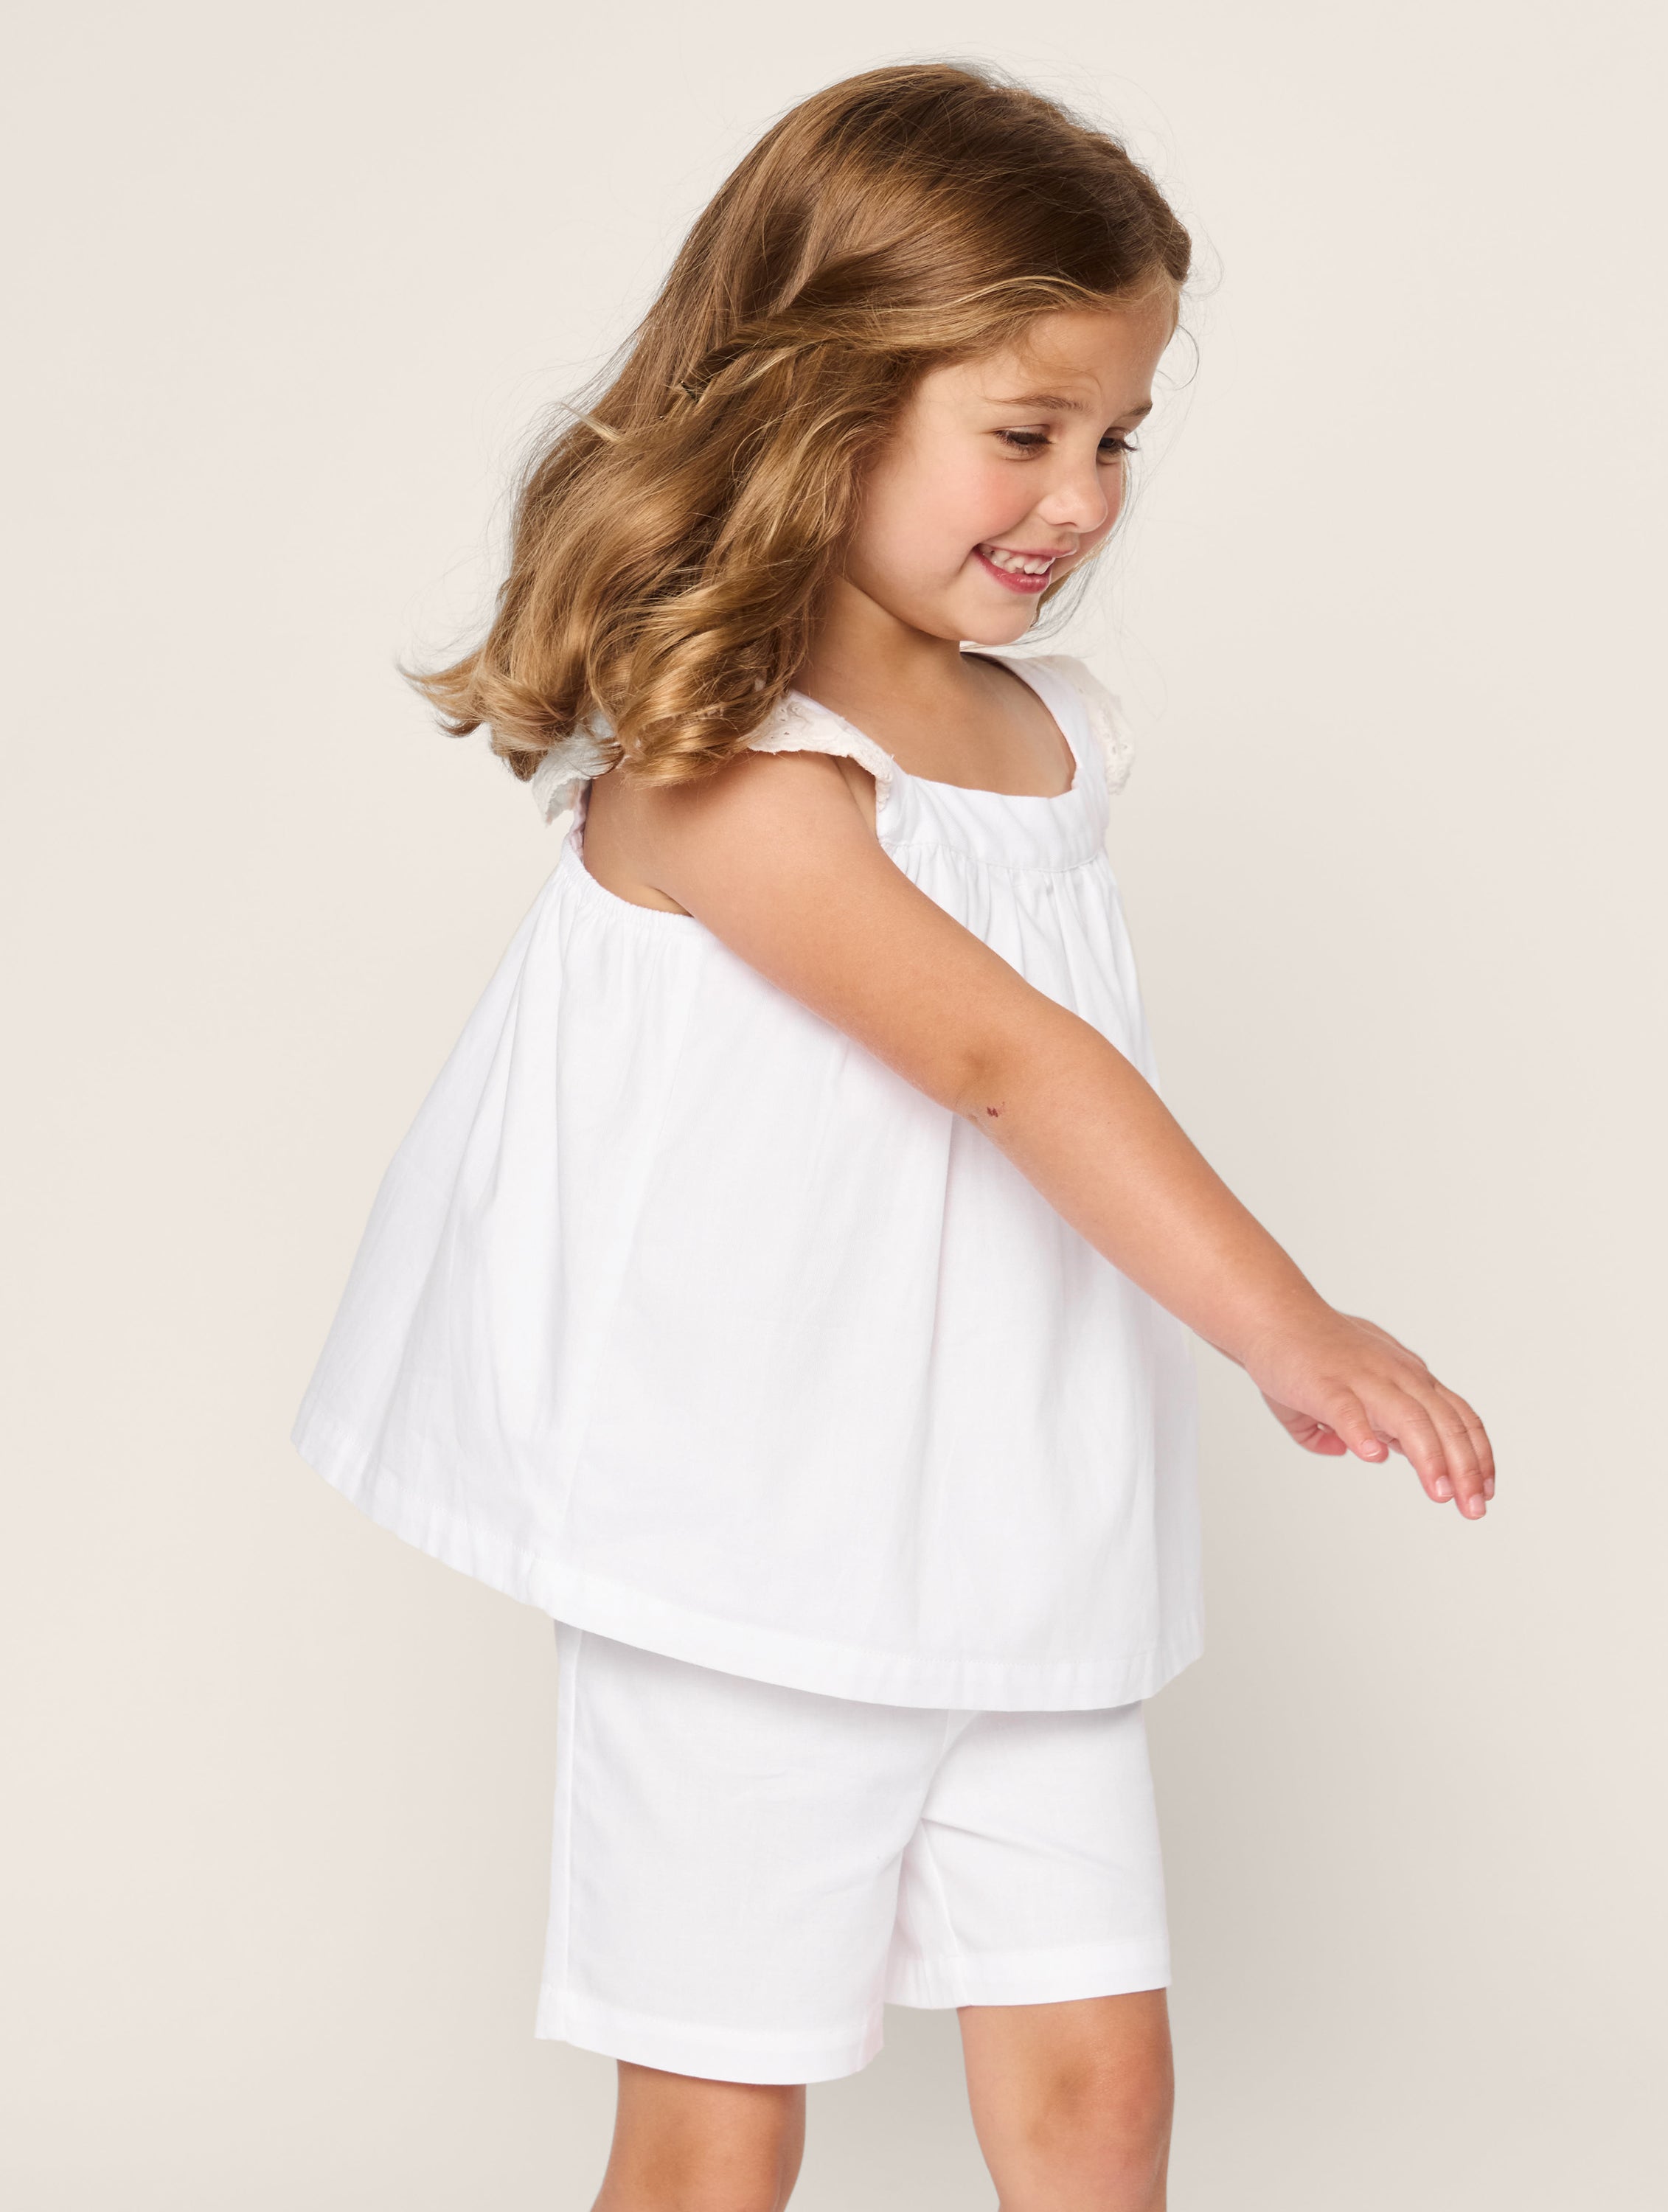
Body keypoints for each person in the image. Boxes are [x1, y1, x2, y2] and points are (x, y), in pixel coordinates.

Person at [293, 60, 1494, 2212]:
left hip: (1016, 1526)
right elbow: (1006, 1064)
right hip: (750, 1544)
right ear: (821, 399)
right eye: (1021, 431)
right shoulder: (731, 771)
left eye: (1117, 435)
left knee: (1098, 2090)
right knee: (722, 2111)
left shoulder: (1043, 734)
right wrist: (1288, 1325)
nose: (1084, 494)